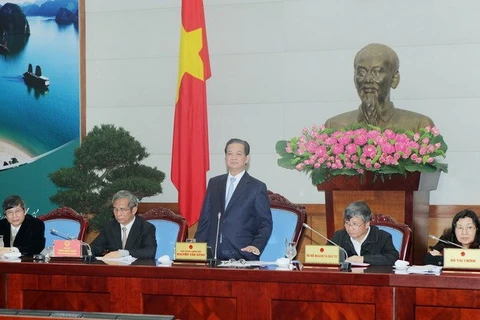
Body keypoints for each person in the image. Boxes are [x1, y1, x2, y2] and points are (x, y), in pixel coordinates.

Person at [325, 43, 434, 133]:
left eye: (376, 72)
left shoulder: (419, 126)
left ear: (394, 79)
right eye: (361, 72)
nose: (367, 79)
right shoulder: (334, 127)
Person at [195, 138, 273, 261]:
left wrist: (256, 245)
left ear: (247, 159)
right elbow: (205, 218)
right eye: (230, 154)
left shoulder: (257, 187)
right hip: (213, 255)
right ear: (225, 158)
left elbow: (265, 223)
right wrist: (198, 248)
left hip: (242, 254)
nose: (233, 157)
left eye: (239, 154)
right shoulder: (214, 183)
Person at [90, 190, 157, 259]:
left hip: (136, 267)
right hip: (114, 267)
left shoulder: (146, 228)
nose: (118, 214)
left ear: (134, 210)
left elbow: (150, 252)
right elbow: (96, 247)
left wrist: (123, 253)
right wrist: (81, 249)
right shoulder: (110, 226)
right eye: (115, 209)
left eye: (123, 209)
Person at [330, 201, 399, 266]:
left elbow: (392, 258)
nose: (350, 228)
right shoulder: (339, 236)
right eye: (347, 223)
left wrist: (362, 259)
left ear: (367, 224)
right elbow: (325, 256)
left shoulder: (382, 237)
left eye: (355, 224)